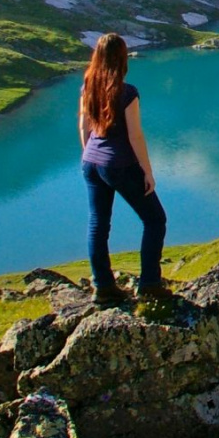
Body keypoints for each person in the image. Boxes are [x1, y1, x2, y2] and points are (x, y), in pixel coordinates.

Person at [79, 32, 168, 303]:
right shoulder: (127, 92)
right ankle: (150, 283)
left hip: (91, 163)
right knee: (155, 220)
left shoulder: (87, 86)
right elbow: (135, 136)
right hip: (119, 165)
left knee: (98, 224)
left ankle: (103, 287)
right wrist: (147, 172)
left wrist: (89, 154)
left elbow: (83, 126)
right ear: (122, 58)